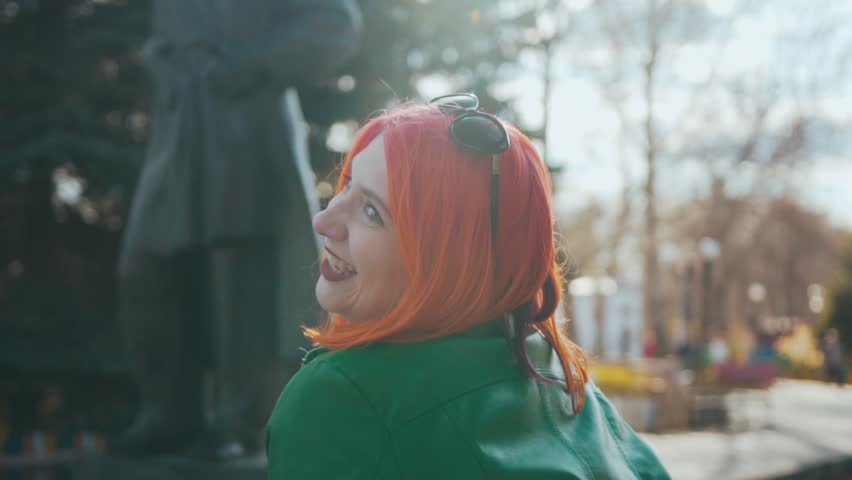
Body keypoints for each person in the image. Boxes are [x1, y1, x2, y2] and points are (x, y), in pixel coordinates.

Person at [265, 94, 671, 478]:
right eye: (348, 184)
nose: (324, 221)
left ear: (448, 260)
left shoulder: (339, 402)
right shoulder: (564, 378)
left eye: (372, 211)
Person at [112, 0, 363, 458]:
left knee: (241, 264)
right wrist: (158, 58)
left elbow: (335, 22)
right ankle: (169, 413)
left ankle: (242, 420)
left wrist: (251, 65)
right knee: (145, 264)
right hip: (179, 122)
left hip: (247, 116)